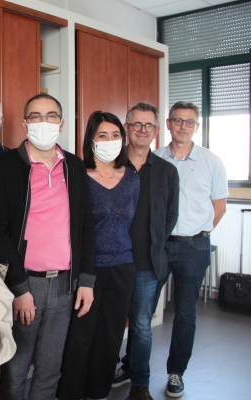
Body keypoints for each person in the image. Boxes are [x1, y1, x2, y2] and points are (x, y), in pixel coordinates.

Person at [0, 93, 96, 400]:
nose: (43, 122)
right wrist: (19, 289)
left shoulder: (74, 167)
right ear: (24, 123)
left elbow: (86, 226)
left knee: (50, 368)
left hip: (64, 286)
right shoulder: (4, 166)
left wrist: (86, 281)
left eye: (50, 116)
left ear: (61, 123)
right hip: (24, 285)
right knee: (16, 369)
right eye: (35, 116)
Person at [57, 111, 140, 400]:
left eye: (115, 135)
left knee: (110, 336)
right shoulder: (78, 176)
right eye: (102, 135)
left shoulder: (131, 179)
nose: (110, 141)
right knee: (81, 336)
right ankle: (71, 393)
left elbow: (131, 222)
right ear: (91, 140)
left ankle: (99, 392)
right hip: (87, 269)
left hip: (122, 268)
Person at [154, 101, 228, 398]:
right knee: (141, 307)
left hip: (194, 246)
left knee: (186, 314)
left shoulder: (212, 161)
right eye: (177, 120)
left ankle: (176, 373)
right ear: (169, 124)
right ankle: (131, 365)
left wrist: (199, 233)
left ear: (196, 126)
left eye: (189, 121)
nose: (183, 126)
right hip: (158, 245)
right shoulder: (155, 158)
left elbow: (218, 208)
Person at [112, 102, 179, 400]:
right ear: (126, 128)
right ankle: (102, 375)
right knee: (109, 323)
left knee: (141, 327)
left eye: (148, 125)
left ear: (155, 130)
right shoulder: (109, 163)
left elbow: (170, 215)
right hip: (110, 262)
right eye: (136, 124)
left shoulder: (166, 171)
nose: (142, 130)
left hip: (146, 265)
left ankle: (140, 384)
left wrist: (157, 245)